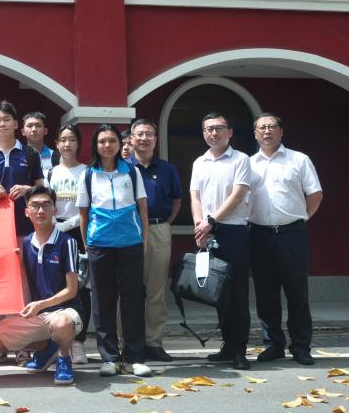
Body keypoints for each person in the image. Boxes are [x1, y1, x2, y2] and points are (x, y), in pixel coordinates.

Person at [0, 186, 79, 387]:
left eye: (46, 205)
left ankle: (64, 358)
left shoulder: (67, 242)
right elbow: (31, 276)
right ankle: (48, 347)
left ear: (55, 210)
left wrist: (41, 304)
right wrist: (18, 263)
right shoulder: (26, 242)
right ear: (27, 212)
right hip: (38, 315)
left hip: (65, 311)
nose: (40, 211)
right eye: (35, 206)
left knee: (61, 324)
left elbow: (72, 290)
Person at [0, 99, 44, 366]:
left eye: (6, 119)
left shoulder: (30, 155)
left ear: (16, 124)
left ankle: (23, 347)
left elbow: (42, 190)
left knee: (23, 291)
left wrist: (27, 190)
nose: (2, 124)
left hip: (25, 231)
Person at [78, 123, 152, 378]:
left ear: (120, 144)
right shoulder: (88, 175)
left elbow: (143, 208)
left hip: (130, 243)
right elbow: (83, 214)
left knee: (133, 300)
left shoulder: (132, 172)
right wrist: (87, 244)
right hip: (100, 245)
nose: (107, 145)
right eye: (102, 141)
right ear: (95, 145)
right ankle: (109, 358)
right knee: (103, 301)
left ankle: (134, 357)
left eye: (112, 140)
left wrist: (144, 239)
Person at [249, 112, 323, 366]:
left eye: (271, 127)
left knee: (297, 293)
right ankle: (273, 344)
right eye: (262, 128)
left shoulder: (299, 159)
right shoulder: (248, 164)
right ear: (255, 134)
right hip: (259, 235)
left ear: (281, 131)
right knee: (265, 293)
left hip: (292, 234)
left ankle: (301, 346)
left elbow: (315, 194)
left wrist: (300, 218)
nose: (267, 131)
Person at [190, 112, 253, 371]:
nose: (213, 133)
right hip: (208, 233)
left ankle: (239, 350)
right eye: (209, 129)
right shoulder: (199, 162)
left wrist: (211, 221)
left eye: (219, 128)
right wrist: (199, 226)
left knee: (237, 293)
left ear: (230, 132)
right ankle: (227, 346)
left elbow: (238, 195)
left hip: (233, 232)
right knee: (219, 292)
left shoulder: (241, 159)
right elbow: (195, 196)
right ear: (204, 133)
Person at [127, 118, 182, 363]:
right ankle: (128, 343)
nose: (144, 138)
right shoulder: (123, 168)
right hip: (128, 231)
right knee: (127, 291)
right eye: (139, 134)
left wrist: (163, 223)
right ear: (131, 139)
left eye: (149, 134)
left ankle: (153, 342)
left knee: (156, 291)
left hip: (159, 229)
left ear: (155, 140)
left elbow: (177, 200)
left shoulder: (167, 169)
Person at [43, 123, 91, 365]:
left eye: (72, 139)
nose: (67, 144)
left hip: (79, 234)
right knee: (57, 287)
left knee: (82, 289)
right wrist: (54, 225)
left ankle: (79, 343)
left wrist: (69, 224)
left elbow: (89, 206)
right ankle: (58, 341)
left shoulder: (87, 172)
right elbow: (45, 202)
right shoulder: (51, 173)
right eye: (63, 139)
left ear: (78, 143)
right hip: (55, 235)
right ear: (56, 144)